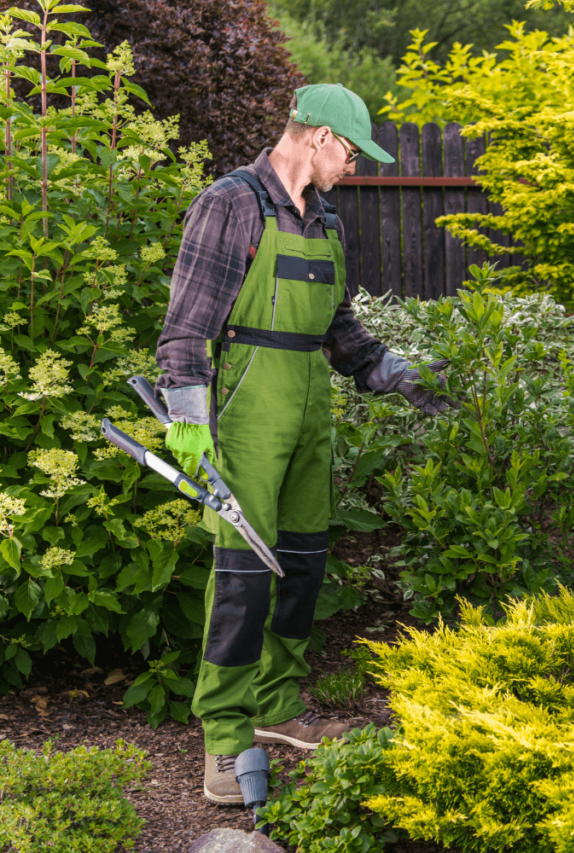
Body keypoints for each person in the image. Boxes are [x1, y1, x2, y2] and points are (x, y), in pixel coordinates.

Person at [154, 83, 450, 805]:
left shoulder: (327, 223)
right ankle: (225, 735)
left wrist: (397, 375)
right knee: (243, 576)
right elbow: (186, 328)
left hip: (310, 407)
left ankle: (276, 704)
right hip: (249, 411)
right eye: (350, 151)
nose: (354, 166)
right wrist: (188, 418)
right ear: (317, 137)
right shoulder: (231, 204)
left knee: (302, 565)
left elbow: (340, 332)